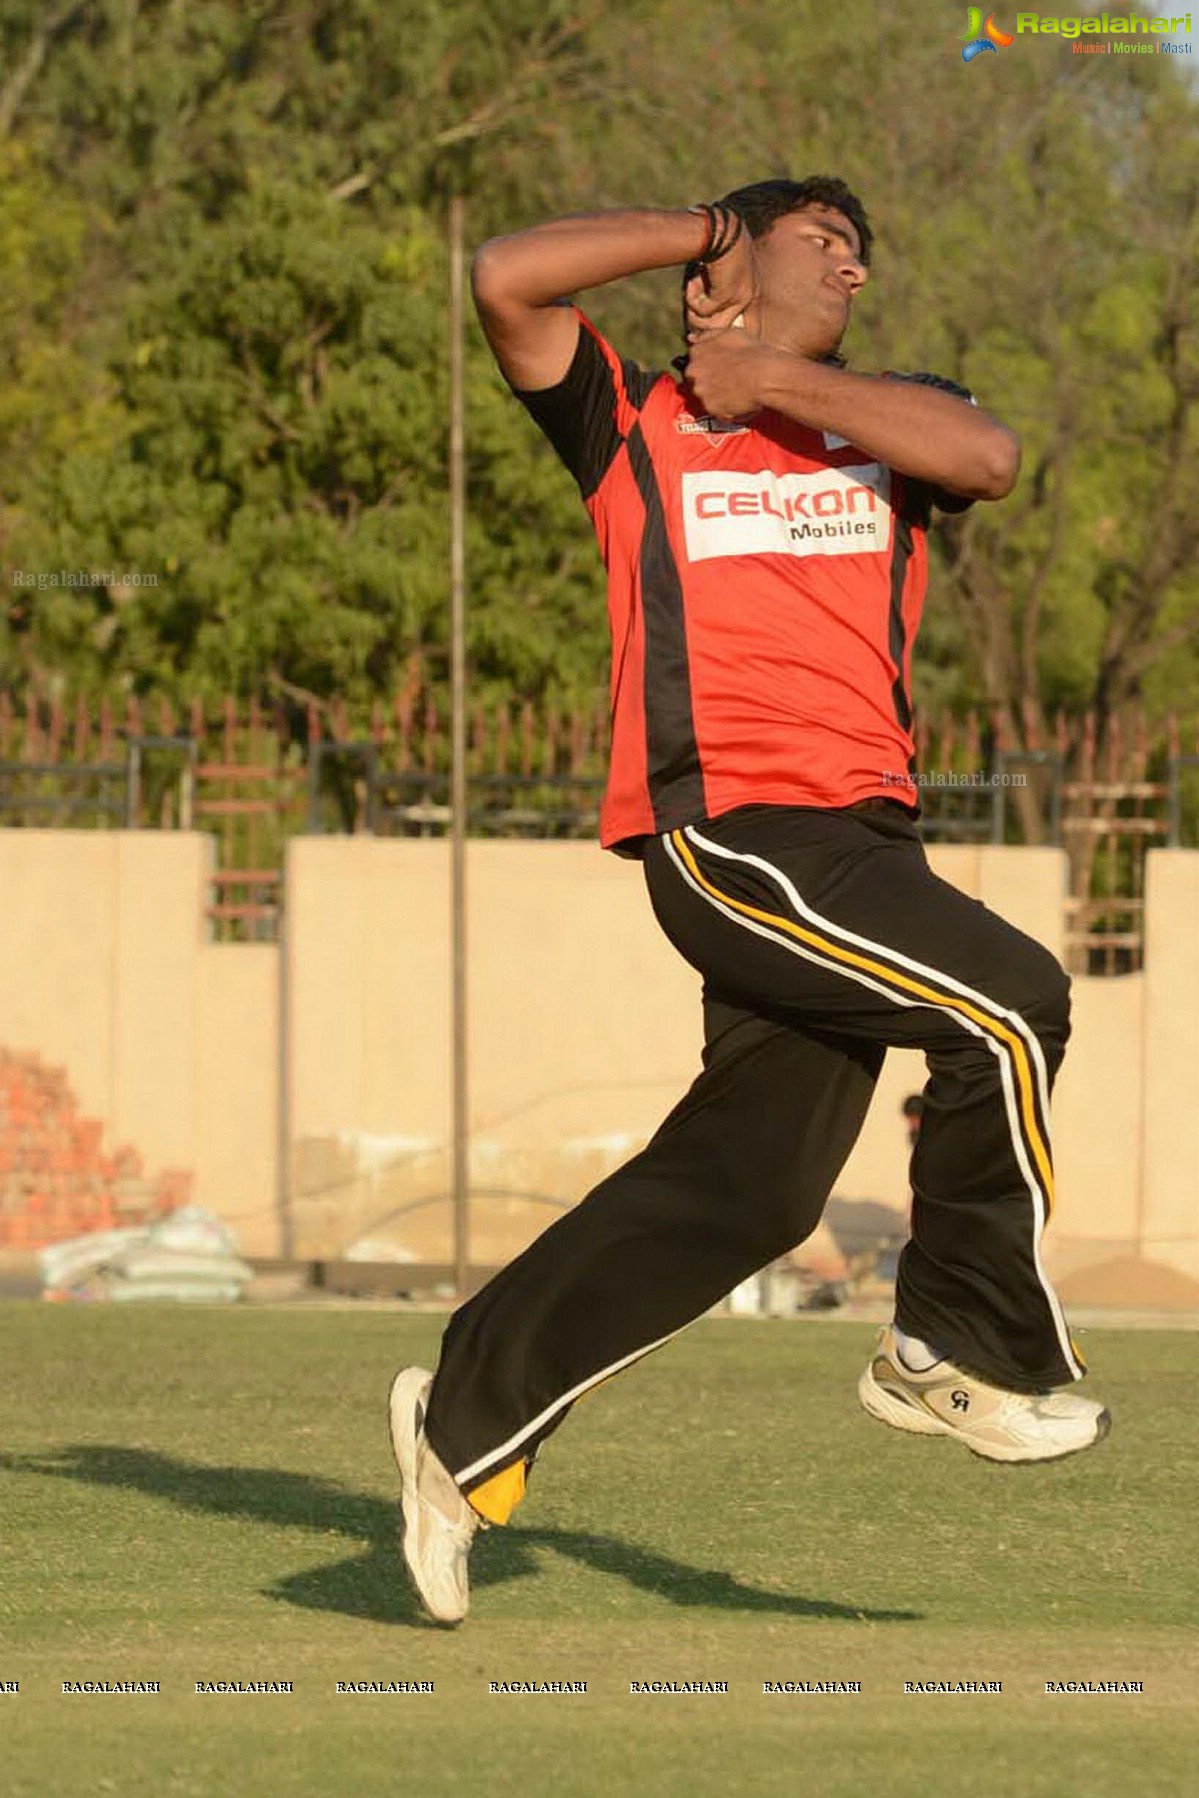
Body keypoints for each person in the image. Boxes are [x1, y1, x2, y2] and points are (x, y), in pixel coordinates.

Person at [389, 177, 1109, 1626]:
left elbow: (993, 451)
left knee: (760, 1189)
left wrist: (781, 373)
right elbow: (506, 274)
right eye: (816, 236)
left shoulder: (878, 415)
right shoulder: (635, 421)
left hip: (862, 852)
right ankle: (949, 1345)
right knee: (1013, 1001)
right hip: (735, 833)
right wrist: (697, 231)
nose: (851, 254)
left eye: (863, 244)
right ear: (728, 267)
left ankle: (460, 1417)